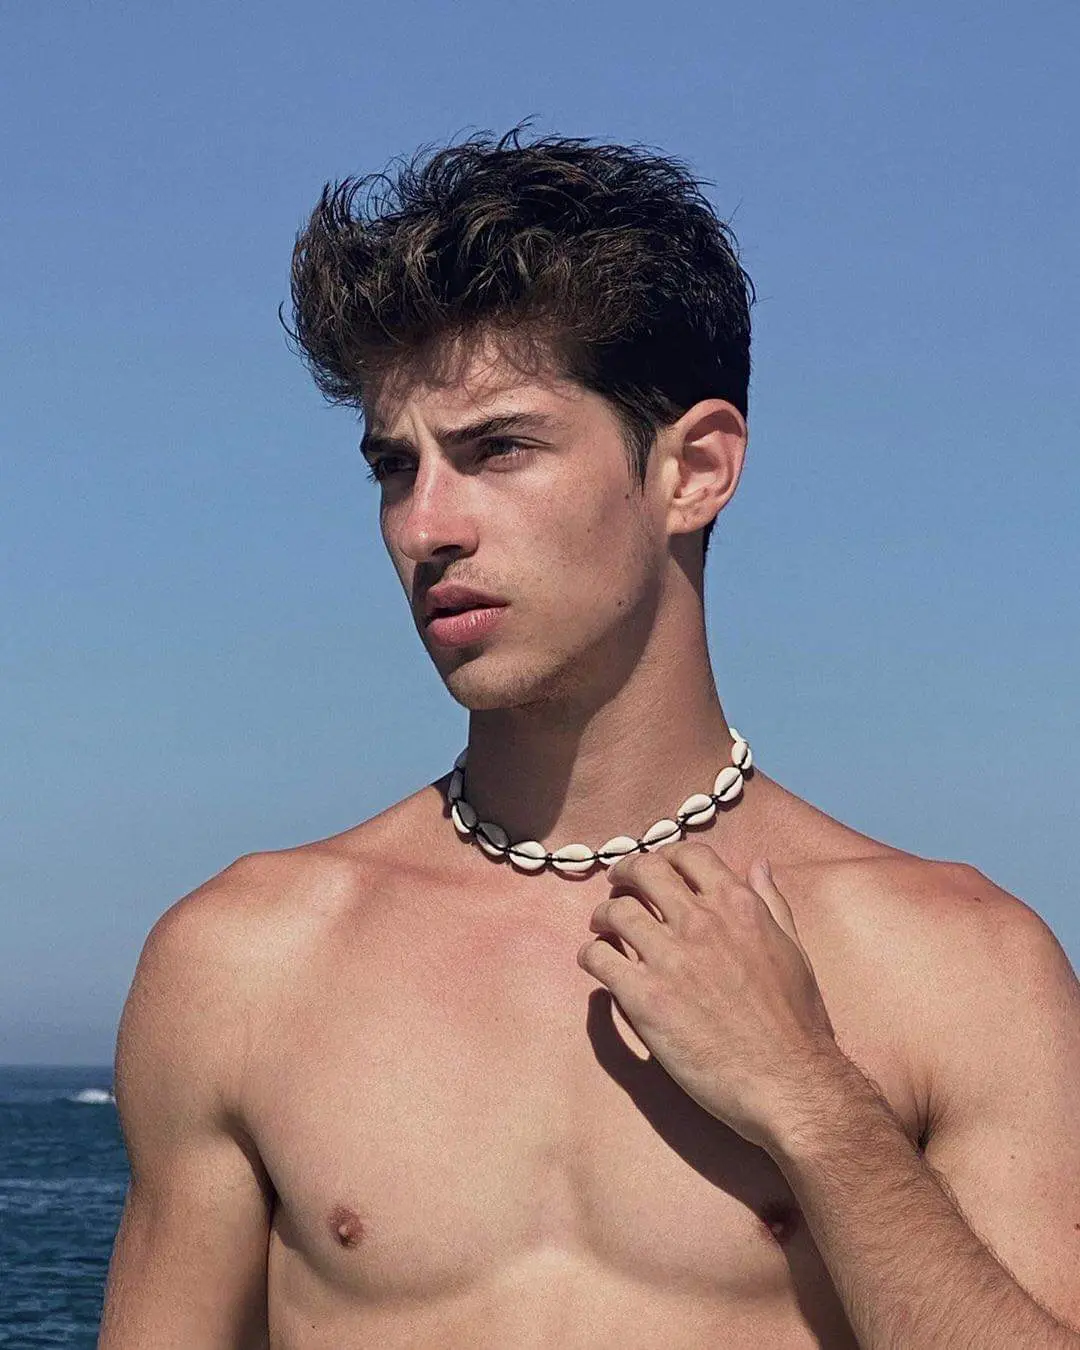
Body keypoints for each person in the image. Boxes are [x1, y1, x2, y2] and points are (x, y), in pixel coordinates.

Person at [98, 128, 1080, 1349]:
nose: (425, 526)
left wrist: (814, 1103)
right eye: (395, 468)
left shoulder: (958, 966)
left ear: (695, 470)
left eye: (498, 448)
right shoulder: (245, 962)